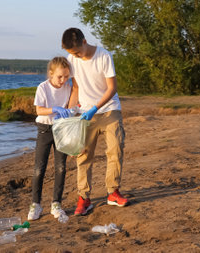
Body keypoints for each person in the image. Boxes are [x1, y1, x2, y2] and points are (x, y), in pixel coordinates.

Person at [62, 27, 128, 216]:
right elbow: (75, 88)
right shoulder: (71, 59)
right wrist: (70, 114)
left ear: (84, 42)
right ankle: (84, 198)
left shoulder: (104, 56)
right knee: (83, 155)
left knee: (115, 149)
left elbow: (112, 88)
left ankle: (113, 192)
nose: (74, 56)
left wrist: (95, 108)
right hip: (84, 114)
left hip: (109, 110)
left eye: (76, 51)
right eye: (70, 53)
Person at [27, 56, 72, 221]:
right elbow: (39, 110)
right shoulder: (43, 88)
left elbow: (70, 106)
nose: (63, 80)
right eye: (60, 76)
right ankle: (36, 205)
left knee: (61, 168)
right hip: (45, 130)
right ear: (51, 74)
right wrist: (54, 108)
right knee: (39, 168)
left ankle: (56, 204)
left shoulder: (68, 88)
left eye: (66, 76)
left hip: (61, 130)